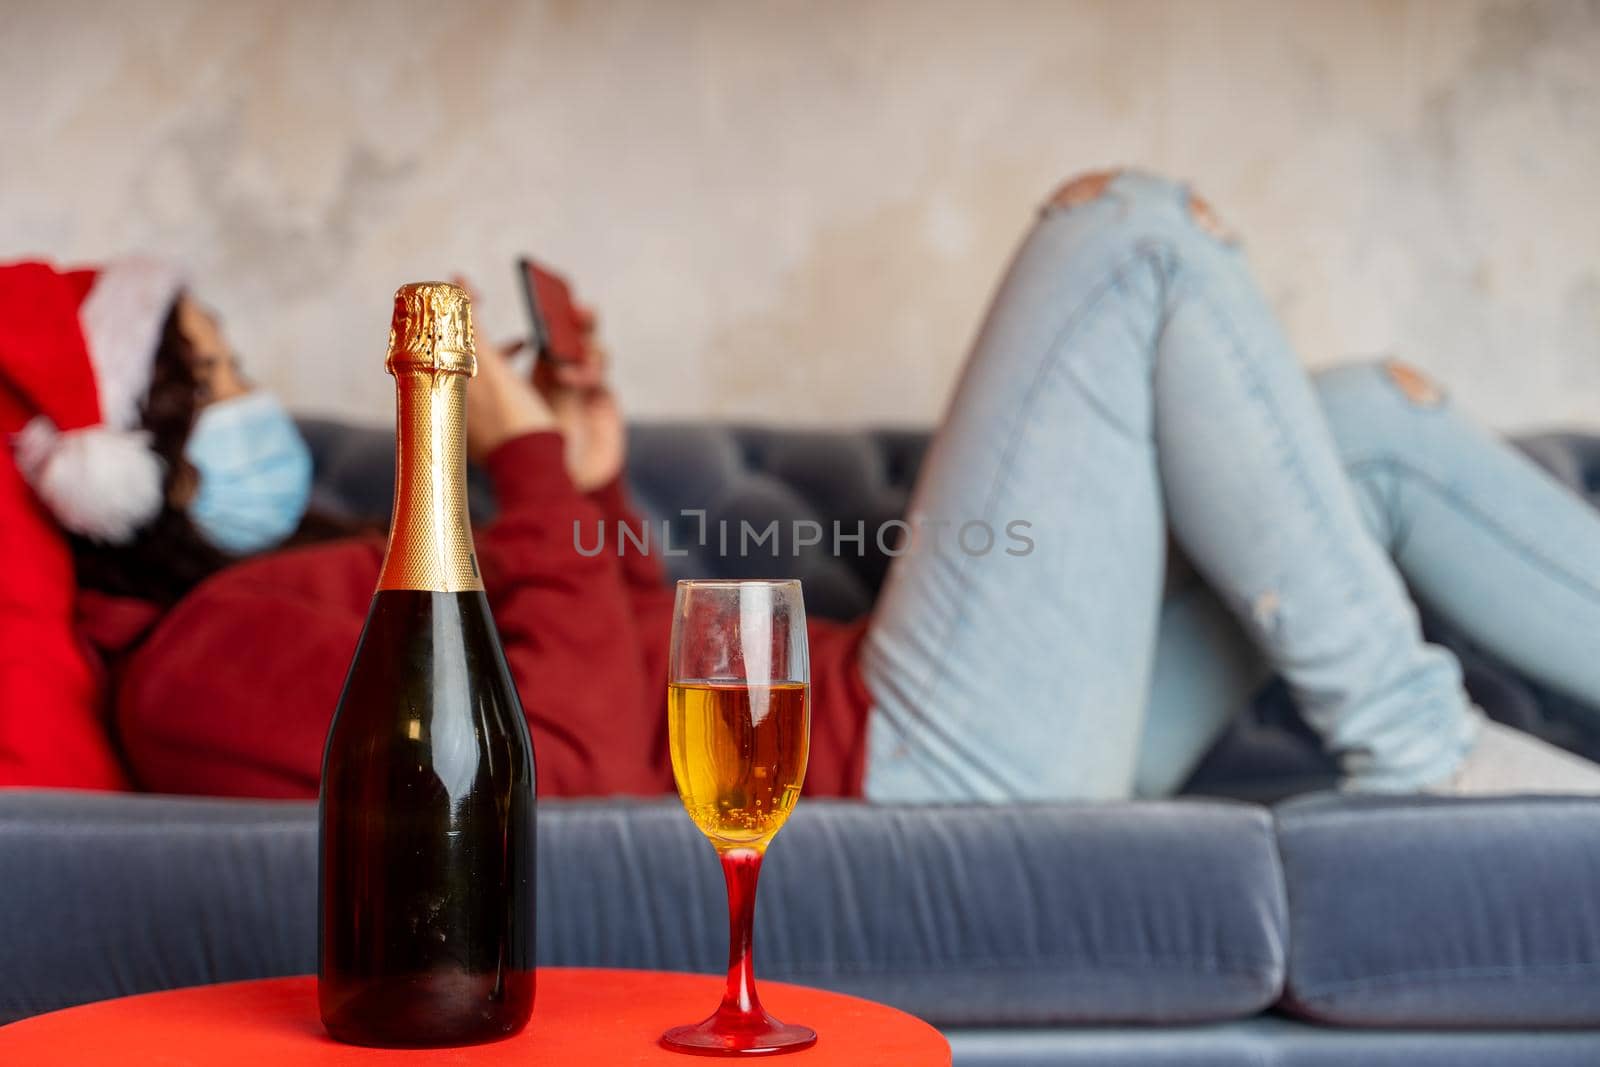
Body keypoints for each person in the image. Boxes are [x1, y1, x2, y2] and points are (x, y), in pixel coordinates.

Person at [4, 169, 1600, 800]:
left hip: (894, 739)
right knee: (1125, 244)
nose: (254, 404)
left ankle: (1421, 746)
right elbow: (550, 780)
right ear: (110, 470)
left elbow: (615, 683)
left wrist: (594, 482)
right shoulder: (210, 660)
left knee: (1358, 431)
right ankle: (1417, 756)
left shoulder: (333, 568)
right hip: (892, 783)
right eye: (210, 374)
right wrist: (531, 472)